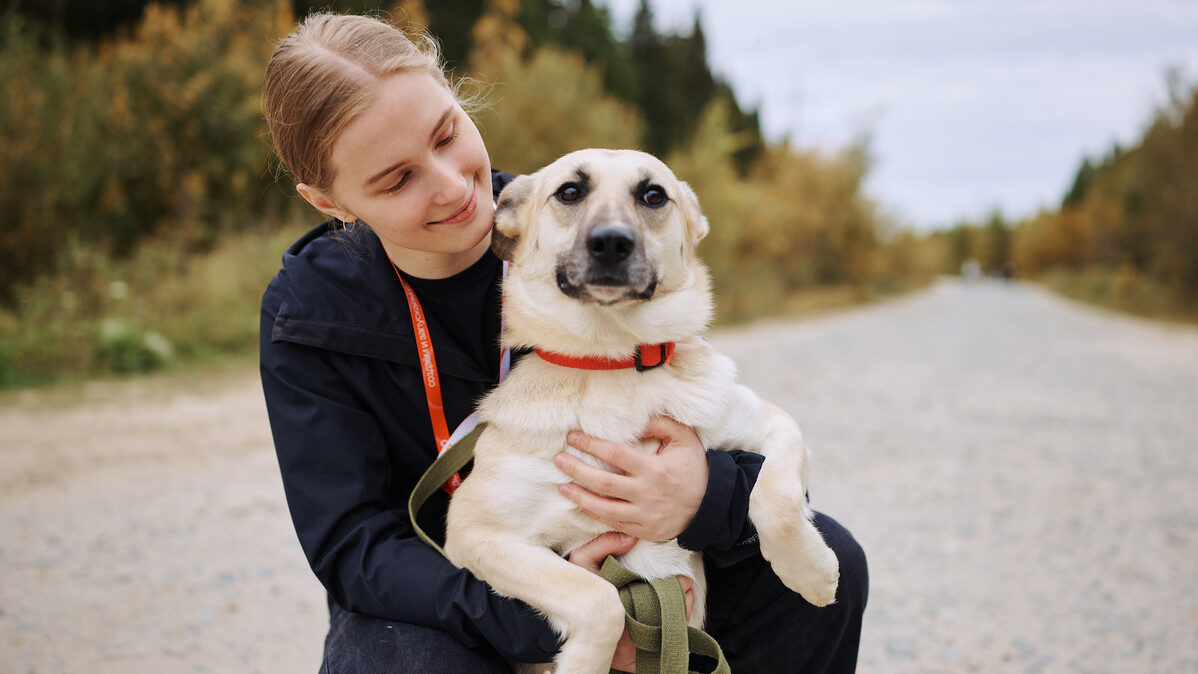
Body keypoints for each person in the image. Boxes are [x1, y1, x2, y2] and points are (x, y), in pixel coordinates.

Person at [259, 12, 867, 673]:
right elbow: (352, 543)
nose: (452, 186)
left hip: (645, 560)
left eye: (447, 135)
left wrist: (704, 497)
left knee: (831, 565)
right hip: (456, 597)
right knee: (396, 660)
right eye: (397, 179)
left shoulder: (563, 220)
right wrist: (554, 619)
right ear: (331, 202)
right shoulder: (308, 312)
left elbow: (747, 433)